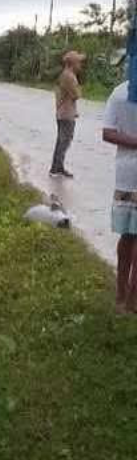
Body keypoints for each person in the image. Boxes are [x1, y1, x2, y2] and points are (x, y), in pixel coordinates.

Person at [103, 79, 137, 313]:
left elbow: (108, 133)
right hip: (129, 173)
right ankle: (131, 301)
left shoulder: (120, 91)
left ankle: (121, 295)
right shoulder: (121, 92)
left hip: (125, 173)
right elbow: (107, 133)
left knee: (127, 234)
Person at [53, 50, 84, 177]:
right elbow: (76, 95)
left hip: (64, 112)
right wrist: (79, 91)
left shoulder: (65, 75)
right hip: (66, 114)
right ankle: (57, 168)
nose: (80, 65)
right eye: (79, 62)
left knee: (62, 141)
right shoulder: (69, 76)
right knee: (64, 141)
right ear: (73, 63)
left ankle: (57, 167)